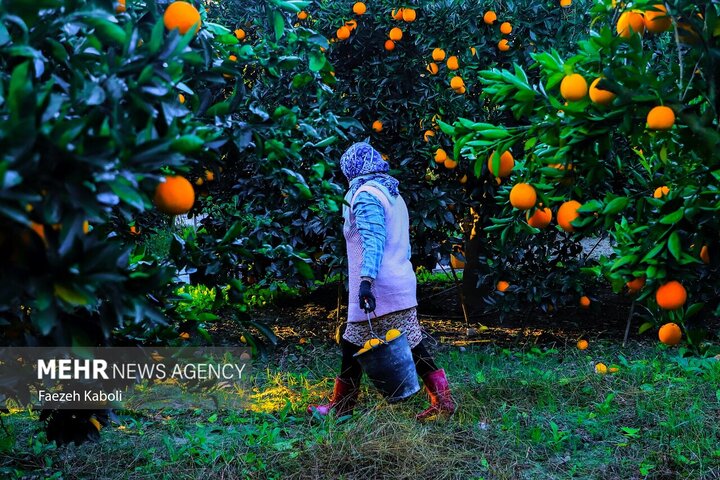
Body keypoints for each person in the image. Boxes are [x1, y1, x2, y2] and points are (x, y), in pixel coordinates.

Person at [307, 142, 455, 420]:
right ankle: (442, 400)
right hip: (400, 281)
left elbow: (372, 241)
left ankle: (342, 407)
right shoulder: (392, 194)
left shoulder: (365, 195)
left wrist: (366, 282)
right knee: (404, 342)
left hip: (379, 286)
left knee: (355, 345)